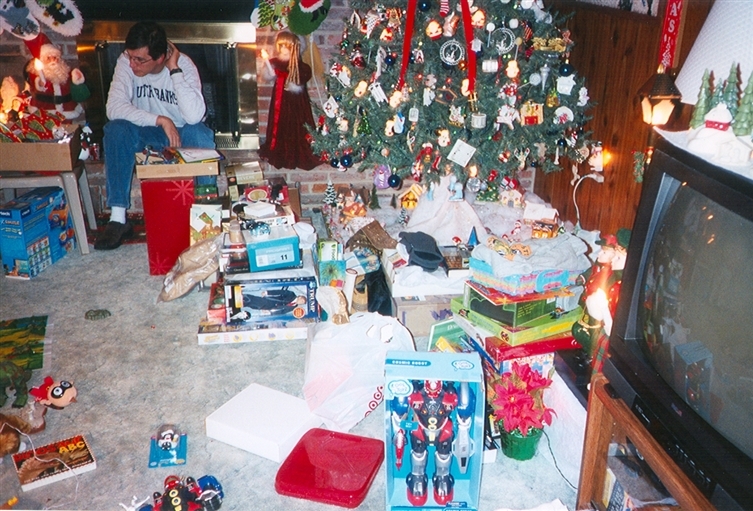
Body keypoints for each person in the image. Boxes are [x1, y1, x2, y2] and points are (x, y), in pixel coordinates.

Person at [95, 21, 215, 250]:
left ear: (160, 58)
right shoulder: (126, 61)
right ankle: (118, 218)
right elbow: (114, 108)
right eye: (130, 57)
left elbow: (195, 116)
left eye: (140, 60)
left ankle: (206, 213)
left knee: (200, 136)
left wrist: (174, 70)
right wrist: (160, 120)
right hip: (148, 131)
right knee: (116, 129)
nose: (133, 64)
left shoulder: (183, 65)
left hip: (182, 131)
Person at [258, 31, 320, 171]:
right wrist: (268, 66)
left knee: (296, 124)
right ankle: (278, 150)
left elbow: (301, 77)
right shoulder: (275, 62)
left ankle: (296, 153)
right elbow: (270, 73)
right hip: (279, 100)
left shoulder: (300, 66)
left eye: (287, 46)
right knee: (279, 123)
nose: (283, 49)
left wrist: (291, 81)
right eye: (281, 45)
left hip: (295, 101)